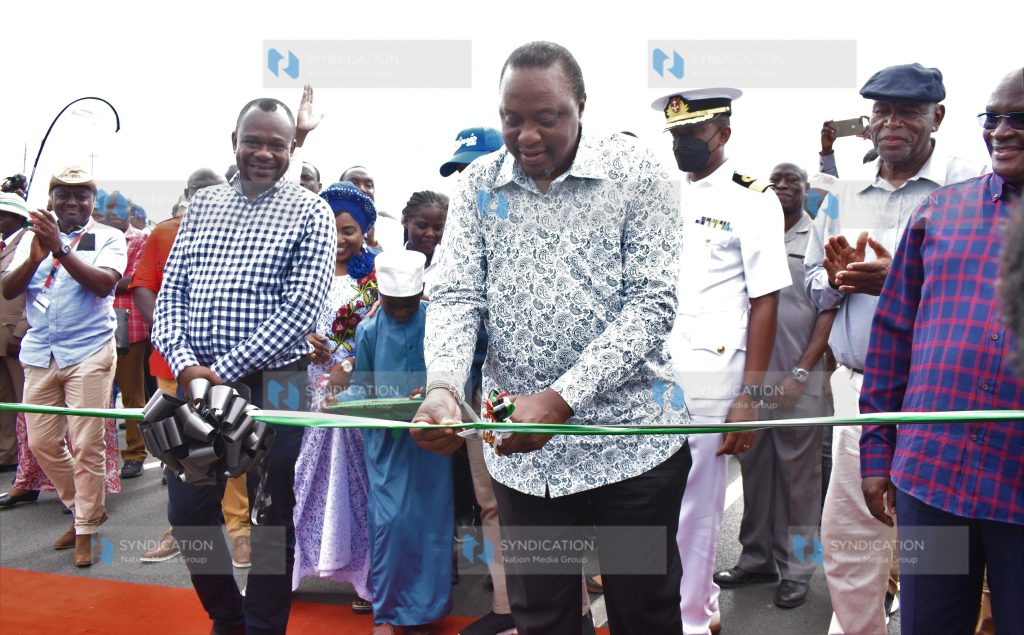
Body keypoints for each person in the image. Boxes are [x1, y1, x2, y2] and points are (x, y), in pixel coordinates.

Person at [412, 41, 689, 635]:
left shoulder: (639, 174)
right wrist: (442, 387)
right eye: (512, 119)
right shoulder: (479, 187)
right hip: (521, 453)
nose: (527, 135)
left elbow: (652, 302)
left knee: (644, 610)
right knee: (545, 616)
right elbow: (458, 296)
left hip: (632, 442)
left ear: (581, 106)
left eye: (547, 118)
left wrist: (561, 399)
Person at [804, 63, 986, 635]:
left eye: (907, 111)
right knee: (853, 534)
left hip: (941, 394)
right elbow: (809, 285)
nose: (891, 123)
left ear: (938, 117)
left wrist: (902, 278)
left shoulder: (971, 184)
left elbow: (988, 287)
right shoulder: (842, 195)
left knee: (936, 540)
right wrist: (836, 279)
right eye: (881, 111)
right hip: (863, 393)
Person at [151, 97, 335, 635]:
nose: (263, 152)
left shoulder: (311, 211)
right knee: (187, 512)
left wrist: (222, 371)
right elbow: (171, 296)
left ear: (291, 148)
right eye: (252, 140)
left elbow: (301, 311)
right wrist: (188, 368)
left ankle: (262, 624)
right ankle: (227, 618)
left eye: (277, 143)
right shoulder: (203, 205)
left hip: (276, 381)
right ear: (233, 140)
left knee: (272, 514)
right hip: (196, 381)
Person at [859, 67, 1024, 635]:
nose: (1002, 132)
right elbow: (892, 339)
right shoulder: (940, 214)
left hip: (1019, 480)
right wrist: (877, 451)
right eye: (994, 119)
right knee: (930, 625)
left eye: (1019, 119)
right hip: (933, 478)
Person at [651, 89, 790, 635]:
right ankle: (664, 609)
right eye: (676, 136)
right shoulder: (662, 196)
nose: (682, 145)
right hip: (656, 370)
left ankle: (693, 617)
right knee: (652, 500)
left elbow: (766, 300)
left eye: (692, 135)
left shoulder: (752, 199)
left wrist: (749, 397)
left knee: (697, 506)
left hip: (714, 372)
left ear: (723, 133)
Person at [713, 162, 835, 610]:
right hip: (752, 380)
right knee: (756, 470)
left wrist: (802, 372)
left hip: (799, 380)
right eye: (777, 180)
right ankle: (757, 559)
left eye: (793, 182)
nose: (784, 187)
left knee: (800, 478)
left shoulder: (817, 235)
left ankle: (798, 570)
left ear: (806, 190)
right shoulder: (752, 228)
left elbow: (829, 310)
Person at [130, 167, 257, 566]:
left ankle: (241, 532)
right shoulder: (165, 232)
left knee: (231, 443)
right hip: (171, 362)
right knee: (177, 450)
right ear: (186, 195)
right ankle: (180, 529)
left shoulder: (245, 232)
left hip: (225, 366)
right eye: (197, 193)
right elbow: (145, 287)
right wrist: (175, 334)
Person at [1, 166, 127, 566]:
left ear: (92, 201)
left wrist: (60, 248)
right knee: (40, 443)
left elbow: (104, 284)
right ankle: (84, 507)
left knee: (87, 444)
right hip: (40, 352)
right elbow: (8, 288)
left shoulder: (108, 237)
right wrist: (37, 253)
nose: (72, 203)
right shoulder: (31, 238)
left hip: (88, 351)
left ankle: (86, 529)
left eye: (81, 196)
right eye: (64, 196)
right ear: (51, 199)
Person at [344, 249, 453, 635]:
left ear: (421, 292)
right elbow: (361, 387)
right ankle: (387, 613)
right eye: (394, 305)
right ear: (381, 297)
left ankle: (424, 611)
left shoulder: (439, 321)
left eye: (409, 304)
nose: (403, 313)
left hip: (433, 439)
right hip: (387, 442)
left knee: (431, 524)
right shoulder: (369, 329)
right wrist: (335, 403)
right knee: (389, 523)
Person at [292, 181, 376, 611]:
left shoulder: (375, 281)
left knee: (358, 480)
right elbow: (286, 320)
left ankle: (363, 576)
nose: (340, 240)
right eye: (330, 229)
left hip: (358, 389)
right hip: (312, 386)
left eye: (349, 230)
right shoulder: (303, 272)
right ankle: (301, 565)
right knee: (307, 476)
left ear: (365, 232)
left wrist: (352, 363)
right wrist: (305, 339)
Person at [102, 190, 150, 480]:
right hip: (95, 326)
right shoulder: (95, 238)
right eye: (108, 208)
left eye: (120, 208)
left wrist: (99, 279)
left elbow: (135, 280)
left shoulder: (142, 239)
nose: (113, 213)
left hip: (129, 325)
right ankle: (103, 457)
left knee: (133, 395)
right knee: (101, 398)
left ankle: (135, 453)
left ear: (130, 211)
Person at [0, 193, 30, 474]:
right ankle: (8, 454)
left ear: (18, 217)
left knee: (25, 400)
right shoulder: (2, 245)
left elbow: (30, 293)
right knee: (5, 400)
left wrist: (21, 332)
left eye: (4, 214)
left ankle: (29, 458)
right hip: (0, 333)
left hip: (15, 334)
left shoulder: (27, 243)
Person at [401, 191, 448, 291]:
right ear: (406, 220)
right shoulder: (393, 262)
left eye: (438, 228)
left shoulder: (449, 264)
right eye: (422, 226)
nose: (430, 233)